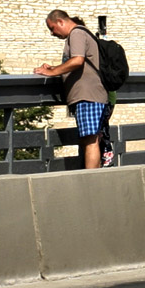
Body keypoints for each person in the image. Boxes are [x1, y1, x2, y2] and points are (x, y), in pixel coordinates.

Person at [33, 9, 108, 169]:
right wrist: (55, 67)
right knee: (90, 138)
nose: (52, 33)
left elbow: (77, 61)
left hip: (88, 95)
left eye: (52, 28)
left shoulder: (77, 34)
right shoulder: (81, 33)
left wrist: (52, 72)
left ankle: (91, 180)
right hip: (90, 95)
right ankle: (93, 177)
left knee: (90, 140)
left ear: (61, 21)